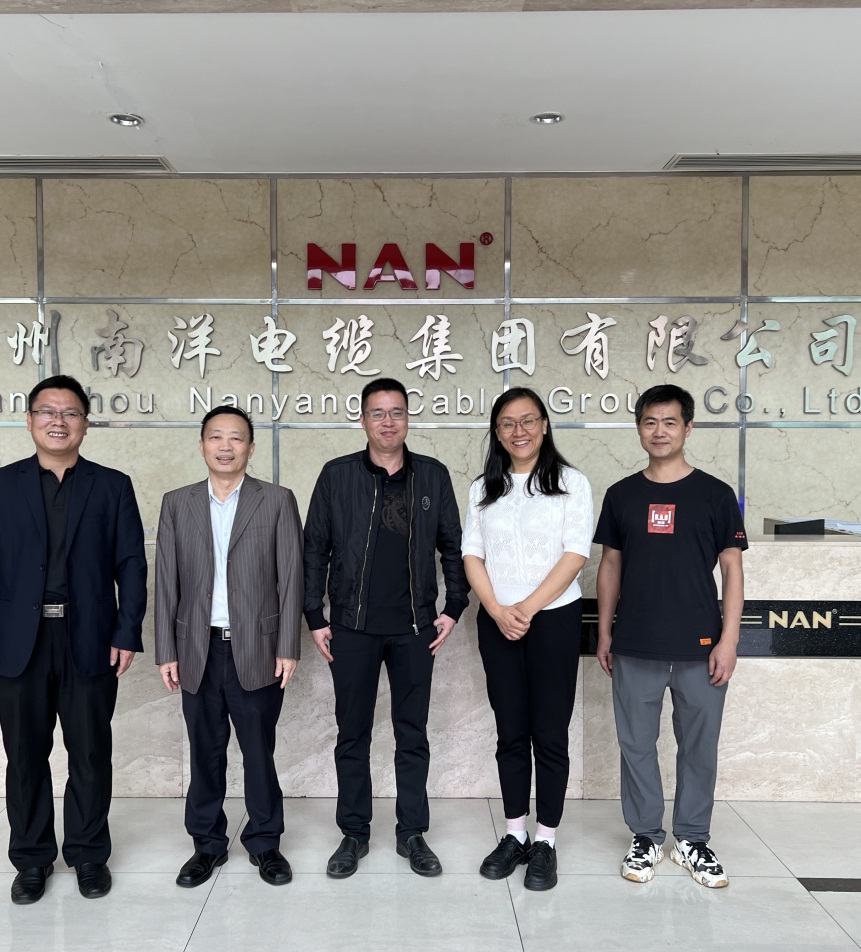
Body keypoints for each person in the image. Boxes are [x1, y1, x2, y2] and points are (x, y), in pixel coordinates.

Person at [0, 374, 147, 905]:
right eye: (47, 411)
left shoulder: (112, 486)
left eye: (70, 413)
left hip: (90, 637)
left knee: (89, 751)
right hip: (19, 640)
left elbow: (131, 565)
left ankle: (88, 854)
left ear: (85, 424)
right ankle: (32, 858)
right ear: (30, 421)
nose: (58, 421)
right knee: (24, 755)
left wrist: (126, 631)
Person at [303, 377, 469, 879]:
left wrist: (454, 606)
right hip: (352, 627)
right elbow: (315, 548)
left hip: (415, 628)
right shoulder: (337, 475)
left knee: (411, 734)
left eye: (397, 412)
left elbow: (453, 546)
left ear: (407, 419)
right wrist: (315, 616)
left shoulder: (432, 476)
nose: (388, 421)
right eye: (378, 413)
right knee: (351, 734)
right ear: (363, 420)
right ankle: (354, 833)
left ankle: (411, 833)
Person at [594, 383, 746, 889]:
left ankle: (692, 840)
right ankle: (646, 836)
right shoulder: (621, 495)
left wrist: (729, 640)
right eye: (650, 422)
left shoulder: (715, 494)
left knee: (699, 746)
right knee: (636, 745)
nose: (659, 431)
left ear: (688, 427)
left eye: (670, 422)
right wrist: (604, 631)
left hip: (700, 646)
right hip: (635, 642)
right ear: (639, 428)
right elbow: (610, 566)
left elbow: (732, 569)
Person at [154, 405, 302, 889]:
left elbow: (291, 578)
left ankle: (265, 843)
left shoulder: (276, 500)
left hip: (257, 648)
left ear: (251, 448)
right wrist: (166, 650)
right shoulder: (177, 503)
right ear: (201, 445)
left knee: (258, 751)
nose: (225, 446)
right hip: (196, 648)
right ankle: (207, 845)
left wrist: (288, 646)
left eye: (236, 438)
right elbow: (167, 581)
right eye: (215, 436)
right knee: (205, 751)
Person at [462, 387, 593, 891]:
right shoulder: (483, 489)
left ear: (544, 425)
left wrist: (527, 608)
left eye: (528, 420)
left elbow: (575, 554)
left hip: (553, 621)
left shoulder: (571, 483)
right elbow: (471, 554)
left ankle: (546, 841)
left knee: (550, 733)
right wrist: (498, 611)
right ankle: (515, 833)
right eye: (507, 423)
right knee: (511, 731)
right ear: (497, 433)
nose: (519, 431)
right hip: (497, 624)